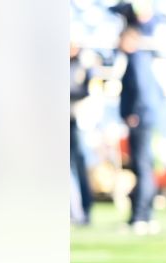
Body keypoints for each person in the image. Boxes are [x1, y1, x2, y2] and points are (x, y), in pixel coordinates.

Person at [118, 24, 163, 234]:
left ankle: (142, 214)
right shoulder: (142, 60)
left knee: (143, 166)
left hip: (140, 119)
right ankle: (141, 213)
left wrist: (134, 114)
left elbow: (143, 91)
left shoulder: (137, 59)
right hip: (144, 118)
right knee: (141, 166)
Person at [70, 42, 93, 225]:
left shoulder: (84, 66)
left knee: (79, 165)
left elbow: (86, 91)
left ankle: (85, 209)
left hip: (76, 120)